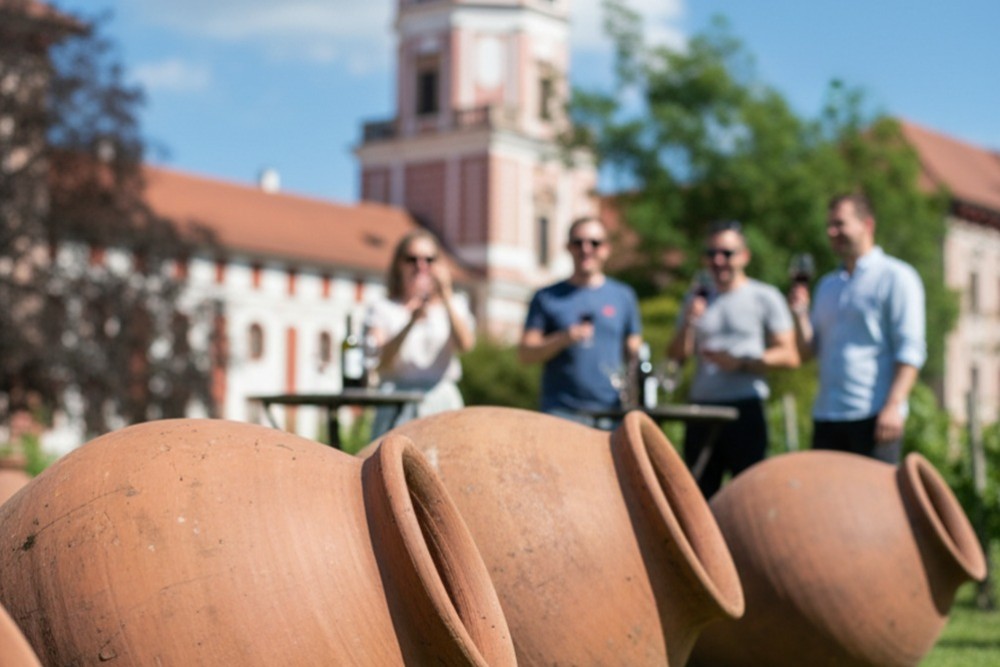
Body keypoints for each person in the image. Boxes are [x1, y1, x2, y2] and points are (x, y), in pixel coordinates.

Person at [789, 192, 926, 463]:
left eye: (840, 224)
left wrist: (893, 405)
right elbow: (808, 352)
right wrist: (799, 314)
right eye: (830, 225)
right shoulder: (827, 286)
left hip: (874, 416)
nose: (832, 231)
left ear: (868, 225)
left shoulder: (896, 277)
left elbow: (911, 350)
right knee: (826, 504)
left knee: (873, 504)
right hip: (827, 416)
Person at [667, 220, 800, 497]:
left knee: (748, 499)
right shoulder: (696, 299)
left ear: (744, 256)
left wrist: (741, 362)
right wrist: (690, 322)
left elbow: (789, 355)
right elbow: (676, 356)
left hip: (745, 410)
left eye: (726, 253)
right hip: (702, 411)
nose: (718, 260)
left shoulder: (764, 296)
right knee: (697, 500)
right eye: (712, 253)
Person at [518, 216, 642, 429]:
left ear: (606, 249)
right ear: (568, 247)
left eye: (594, 243)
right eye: (578, 242)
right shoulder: (547, 296)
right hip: (561, 413)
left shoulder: (623, 296)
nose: (586, 249)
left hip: (611, 413)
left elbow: (635, 351)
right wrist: (563, 338)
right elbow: (526, 353)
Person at [366, 230, 476, 438]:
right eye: (412, 259)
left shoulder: (454, 304)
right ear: (399, 264)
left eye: (429, 259)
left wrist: (446, 295)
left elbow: (466, 345)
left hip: (441, 400)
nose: (421, 266)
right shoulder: (384, 307)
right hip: (397, 401)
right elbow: (381, 360)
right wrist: (411, 323)